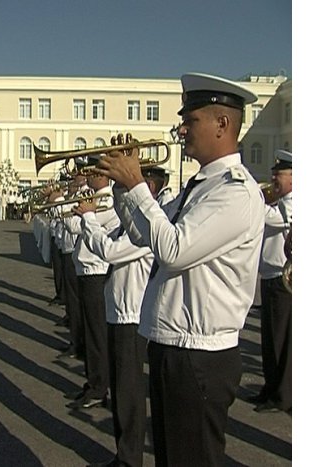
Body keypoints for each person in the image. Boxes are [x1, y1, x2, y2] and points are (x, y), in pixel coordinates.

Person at [94, 72, 265, 466]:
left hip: (200, 356)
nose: (182, 129)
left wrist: (138, 184)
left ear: (222, 125)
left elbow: (173, 250)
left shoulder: (235, 191)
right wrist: (123, 191)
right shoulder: (200, 185)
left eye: (191, 120)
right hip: (175, 345)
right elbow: (143, 235)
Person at [73, 168, 163, 467]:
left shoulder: (146, 229)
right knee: (123, 393)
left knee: (129, 394)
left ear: (147, 186)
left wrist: (88, 217)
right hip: (119, 313)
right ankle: (124, 454)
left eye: (125, 185)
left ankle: (129, 458)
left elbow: (109, 252)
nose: (119, 190)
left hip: (131, 317)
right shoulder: (132, 224)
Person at [63, 163, 120, 410]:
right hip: (86, 270)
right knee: (90, 331)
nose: (88, 177)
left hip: (97, 272)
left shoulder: (106, 202)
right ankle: (93, 381)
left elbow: (75, 226)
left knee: (97, 334)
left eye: (94, 174)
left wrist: (67, 204)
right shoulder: (94, 199)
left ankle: (99, 387)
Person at [248, 149, 292, 414]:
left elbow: (273, 220)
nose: (274, 179)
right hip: (270, 276)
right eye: (274, 175)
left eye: (279, 175)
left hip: (282, 279)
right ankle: (270, 387)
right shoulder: (280, 201)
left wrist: (253, 201)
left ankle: (282, 395)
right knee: (269, 341)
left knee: (280, 341)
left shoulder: (293, 202)